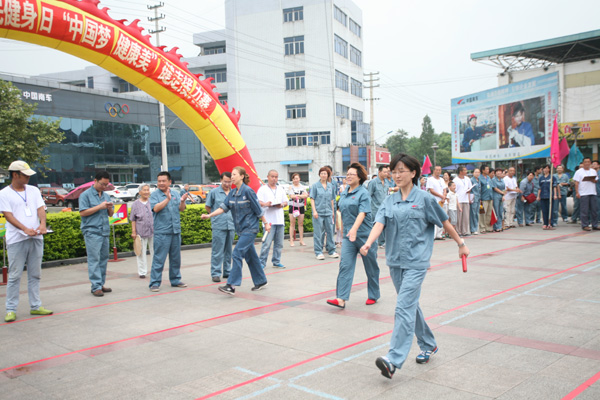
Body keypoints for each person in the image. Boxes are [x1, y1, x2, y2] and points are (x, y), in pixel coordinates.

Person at [357, 153, 469, 380]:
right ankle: (428, 343)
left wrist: (461, 243)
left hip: (417, 261)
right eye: (393, 171)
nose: (396, 175)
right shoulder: (390, 200)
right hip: (395, 261)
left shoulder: (425, 198)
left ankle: (393, 359)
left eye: (401, 170)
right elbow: (379, 222)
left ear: (414, 173)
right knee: (410, 306)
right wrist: (368, 243)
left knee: (403, 307)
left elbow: (444, 221)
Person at [201, 166, 271, 295]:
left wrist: (266, 223)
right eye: (231, 175)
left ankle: (231, 285)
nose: (232, 177)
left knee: (237, 253)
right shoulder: (232, 193)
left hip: (250, 229)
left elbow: (258, 210)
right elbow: (223, 208)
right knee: (251, 257)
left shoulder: (248, 191)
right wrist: (209, 215)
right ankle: (261, 280)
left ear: (242, 176)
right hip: (241, 230)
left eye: (234, 174)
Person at [0, 161, 53, 322]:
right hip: (17, 239)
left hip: (36, 237)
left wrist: (42, 225)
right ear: (15, 175)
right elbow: (8, 215)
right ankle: (10, 309)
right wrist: (24, 229)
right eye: (25, 174)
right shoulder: (4, 194)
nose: (28, 177)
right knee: (15, 275)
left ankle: (36, 306)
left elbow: (40, 209)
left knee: (35, 274)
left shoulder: (33, 190)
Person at [326, 163, 380, 309]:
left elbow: (362, 213)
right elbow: (343, 213)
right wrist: (342, 231)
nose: (348, 176)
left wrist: (355, 229)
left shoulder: (364, 193)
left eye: (352, 174)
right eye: (347, 174)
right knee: (345, 266)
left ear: (359, 177)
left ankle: (373, 294)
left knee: (371, 267)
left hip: (364, 236)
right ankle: (341, 298)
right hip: (348, 237)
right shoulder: (344, 193)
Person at [148, 171, 189, 292]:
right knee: (159, 258)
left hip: (175, 231)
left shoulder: (175, 193)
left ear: (169, 182)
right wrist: (167, 199)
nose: (161, 183)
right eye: (159, 181)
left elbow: (181, 209)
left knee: (176, 258)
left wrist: (182, 201)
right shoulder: (155, 195)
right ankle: (154, 283)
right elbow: (155, 208)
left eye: (163, 181)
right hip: (162, 232)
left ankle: (175, 280)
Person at [79, 171, 115, 296]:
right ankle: (95, 286)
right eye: (102, 184)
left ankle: (101, 283)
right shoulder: (85, 195)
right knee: (94, 259)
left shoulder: (106, 195)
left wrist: (109, 207)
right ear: (95, 180)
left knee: (104, 259)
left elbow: (111, 215)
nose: (104, 187)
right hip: (92, 231)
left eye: (106, 185)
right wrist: (99, 207)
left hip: (104, 231)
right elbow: (83, 213)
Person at [205, 172, 235, 282]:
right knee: (217, 250)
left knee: (228, 250)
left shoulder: (233, 192)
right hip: (219, 225)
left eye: (229, 181)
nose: (227, 184)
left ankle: (227, 271)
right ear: (221, 180)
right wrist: (214, 217)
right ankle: (216, 272)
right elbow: (208, 207)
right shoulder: (214, 192)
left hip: (231, 225)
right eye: (225, 181)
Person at [258, 170, 288, 269]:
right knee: (266, 243)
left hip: (279, 220)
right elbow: (258, 202)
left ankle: (276, 261)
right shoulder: (262, 189)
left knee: (279, 244)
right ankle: (262, 262)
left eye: (276, 177)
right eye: (272, 176)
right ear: (268, 177)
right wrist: (266, 204)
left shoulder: (280, 189)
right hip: (268, 221)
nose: (274, 179)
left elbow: (286, 201)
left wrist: (282, 204)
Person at [309, 167, 339, 260]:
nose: (323, 175)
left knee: (330, 232)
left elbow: (332, 199)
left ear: (328, 175)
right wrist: (314, 211)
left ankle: (331, 251)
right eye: (321, 173)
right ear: (319, 175)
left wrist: (333, 212)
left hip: (329, 212)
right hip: (318, 212)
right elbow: (312, 199)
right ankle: (318, 252)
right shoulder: (315, 186)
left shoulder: (330, 186)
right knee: (318, 233)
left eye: (325, 173)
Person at [130, 184, 154, 279]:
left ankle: (154, 270)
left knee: (155, 251)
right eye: (144, 190)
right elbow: (133, 219)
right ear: (140, 192)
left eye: (148, 190)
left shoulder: (152, 202)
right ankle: (142, 272)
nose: (146, 192)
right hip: (141, 231)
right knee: (141, 252)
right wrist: (133, 232)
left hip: (153, 230)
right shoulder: (135, 204)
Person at [573, 157, 599, 231]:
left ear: (590, 163)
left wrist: (592, 179)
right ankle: (585, 225)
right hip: (584, 193)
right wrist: (577, 192)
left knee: (594, 210)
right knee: (584, 210)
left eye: (588, 162)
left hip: (593, 192)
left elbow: (596, 181)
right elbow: (576, 183)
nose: (587, 163)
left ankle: (595, 224)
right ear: (583, 163)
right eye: (585, 162)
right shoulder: (579, 172)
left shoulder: (593, 171)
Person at [368, 165, 391, 246]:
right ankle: (373, 242)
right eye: (384, 172)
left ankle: (382, 242)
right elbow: (368, 196)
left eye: (387, 172)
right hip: (374, 209)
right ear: (379, 172)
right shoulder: (373, 182)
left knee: (383, 225)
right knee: (375, 226)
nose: (386, 174)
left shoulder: (386, 182)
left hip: (384, 208)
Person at [287, 173, 308, 247]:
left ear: (299, 179)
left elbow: (306, 195)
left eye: (297, 178)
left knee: (301, 224)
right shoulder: (290, 187)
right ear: (292, 179)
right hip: (293, 206)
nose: (296, 180)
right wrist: (300, 196)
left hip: (301, 206)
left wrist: (298, 196)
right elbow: (292, 196)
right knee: (292, 224)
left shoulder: (302, 187)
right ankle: (291, 240)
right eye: (294, 178)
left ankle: (301, 240)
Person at [426, 166, 446, 240]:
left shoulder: (442, 179)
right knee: (435, 217)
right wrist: (441, 196)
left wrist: (444, 196)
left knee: (442, 217)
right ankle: (433, 235)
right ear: (434, 171)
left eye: (440, 170)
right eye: (437, 170)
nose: (438, 171)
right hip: (435, 200)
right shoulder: (430, 179)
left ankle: (439, 234)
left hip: (443, 201)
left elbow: (444, 189)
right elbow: (431, 190)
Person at [537, 165, 559, 230]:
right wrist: (538, 196)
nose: (545, 170)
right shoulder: (541, 178)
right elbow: (539, 188)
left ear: (549, 169)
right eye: (544, 168)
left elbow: (554, 187)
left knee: (550, 210)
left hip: (550, 196)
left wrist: (555, 195)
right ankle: (545, 223)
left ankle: (550, 223)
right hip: (543, 196)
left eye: (547, 168)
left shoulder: (552, 177)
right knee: (544, 210)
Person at [453, 166, 472, 236]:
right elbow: (454, 190)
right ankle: (458, 231)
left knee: (466, 216)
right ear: (461, 172)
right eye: (465, 170)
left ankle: (465, 231)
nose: (466, 172)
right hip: (459, 200)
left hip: (466, 199)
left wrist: (469, 198)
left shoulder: (467, 179)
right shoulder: (455, 180)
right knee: (459, 216)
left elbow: (470, 188)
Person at [479, 165, 493, 233]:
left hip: (490, 197)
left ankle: (488, 227)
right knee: (482, 213)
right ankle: (482, 228)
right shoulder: (480, 178)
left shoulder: (488, 177)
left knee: (489, 213)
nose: (488, 170)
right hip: (483, 198)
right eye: (487, 169)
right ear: (483, 170)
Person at [491, 168, 506, 232]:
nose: (499, 173)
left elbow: (504, 188)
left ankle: (500, 226)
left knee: (500, 212)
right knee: (496, 212)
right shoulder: (493, 180)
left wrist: (503, 195)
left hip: (501, 197)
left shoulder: (502, 180)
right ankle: (496, 227)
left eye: (500, 172)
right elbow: (495, 188)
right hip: (495, 196)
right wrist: (502, 193)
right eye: (497, 172)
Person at [469, 168, 481, 235]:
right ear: (473, 173)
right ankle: (473, 229)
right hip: (473, 198)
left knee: (476, 214)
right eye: (476, 172)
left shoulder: (479, 180)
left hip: (478, 198)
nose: (477, 173)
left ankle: (476, 228)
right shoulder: (471, 180)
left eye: (478, 172)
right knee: (473, 214)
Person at [594, 160, 600, 226]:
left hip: (598, 191)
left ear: (598, 165)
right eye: (593, 164)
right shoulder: (592, 172)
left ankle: (597, 219)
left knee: (597, 207)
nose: (593, 165)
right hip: (594, 192)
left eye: (595, 164)